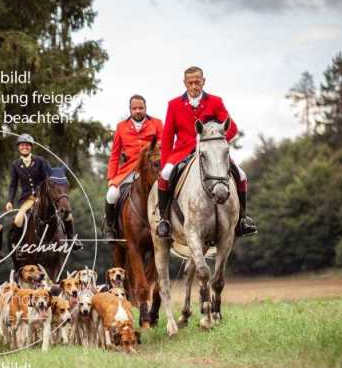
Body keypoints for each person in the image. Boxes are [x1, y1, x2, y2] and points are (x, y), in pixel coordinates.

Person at [157, 66, 258, 239]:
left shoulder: (215, 102)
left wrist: (216, 141)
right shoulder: (173, 105)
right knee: (166, 174)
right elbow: (167, 137)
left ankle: (242, 220)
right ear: (185, 83)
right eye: (190, 83)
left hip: (212, 152)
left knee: (241, 175)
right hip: (182, 150)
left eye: (197, 82)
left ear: (204, 81)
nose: (194, 86)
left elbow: (232, 128)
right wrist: (165, 162)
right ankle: (164, 220)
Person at [5, 133, 81, 249]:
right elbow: (13, 185)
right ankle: (17, 244)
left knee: (67, 214)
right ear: (18, 147)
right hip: (27, 199)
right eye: (22, 145)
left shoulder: (40, 161)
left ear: (31, 147)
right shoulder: (16, 164)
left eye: (27, 145)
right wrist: (10, 200)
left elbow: (48, 177)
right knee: (18, 219)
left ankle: (71, 240)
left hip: (43, 196)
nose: (25, 147)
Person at [105, 95, 163, 238]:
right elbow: (115, 155)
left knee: (166, 190)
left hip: (150, 168)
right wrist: (111, 178)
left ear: (145, 108)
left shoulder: (156, 123)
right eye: (134, 108)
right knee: (111, 195)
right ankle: (110, 228)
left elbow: (163, 143)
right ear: (130, 110)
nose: (138, 111)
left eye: (140, 108)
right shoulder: (121, 127)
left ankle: (166, 224)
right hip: (128, 170)